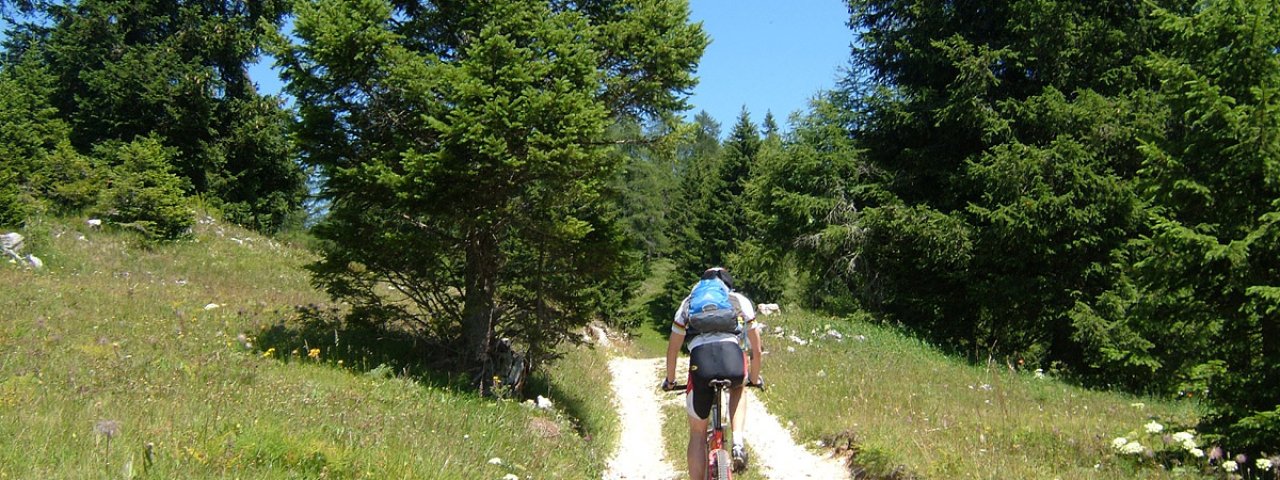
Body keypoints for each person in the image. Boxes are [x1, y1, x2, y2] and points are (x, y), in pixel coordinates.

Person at [663, 267, 764, 478]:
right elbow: (756, 349)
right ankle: (737, 442)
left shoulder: (688, 303)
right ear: (727, 285)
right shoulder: (737, 299)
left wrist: (671, 381)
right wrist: (753, 379)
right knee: (739, 386)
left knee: (698, 434)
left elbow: (672, 350)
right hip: (731, 357)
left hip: (701, 362)